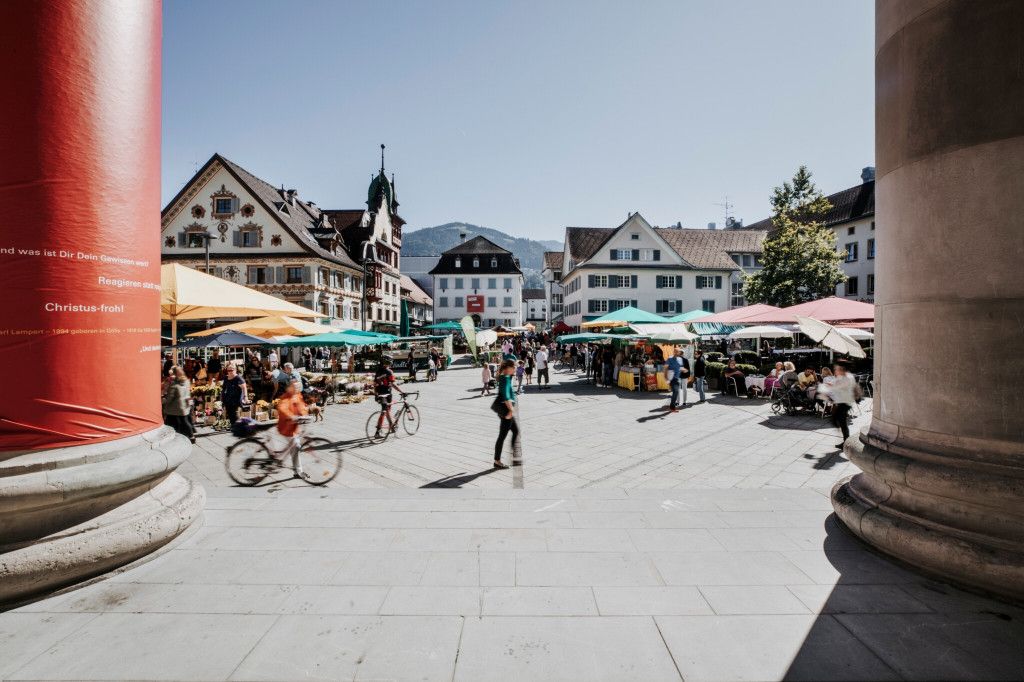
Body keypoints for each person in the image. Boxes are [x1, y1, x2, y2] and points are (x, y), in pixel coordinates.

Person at [275, 378, 309, 478]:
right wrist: (291, 416)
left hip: (293, 427)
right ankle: (298, 471)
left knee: (294, 449)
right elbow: (282, 408)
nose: (297, 388)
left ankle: (296, 472)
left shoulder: (297, 395)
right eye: (295, 386)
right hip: (286, 427)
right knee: (296, 446)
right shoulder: (285, 397)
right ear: (289, 387)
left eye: (298, 386)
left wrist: (305, 415)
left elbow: (301, 407)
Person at [492, 359, 520, 469]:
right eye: (514, 367)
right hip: (506, 411)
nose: (515, 369)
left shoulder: (507, 377)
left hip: (507, 410)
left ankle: (513, 458)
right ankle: (497, 461)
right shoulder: (504, 378)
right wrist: (511, 410)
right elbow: (506, 396)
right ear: (508, 368)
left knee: (515, 431)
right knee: (502, 437)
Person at [821, 362, 857, 442]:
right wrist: (830, 384)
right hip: (842, 402)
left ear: (842, 369)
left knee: (839, 421)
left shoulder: (847, 377)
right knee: (839, 421)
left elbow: (839, 387)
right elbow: (835, 384)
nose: (835, 370)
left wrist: (831, 386)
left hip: (845, 402)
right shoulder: (842, 377)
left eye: (836, 369)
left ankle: (846, 441)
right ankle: (845, 440)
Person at [373, 358, 408, 439]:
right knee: (384, 412)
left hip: (380, 395)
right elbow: (393, 384)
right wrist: (401, 391)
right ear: (389, 363)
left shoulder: (378, 371)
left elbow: (374, 384)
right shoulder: (389, 372)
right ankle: (377, 432)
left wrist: (375, 395)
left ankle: (391, 427)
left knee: (386, 411)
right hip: (387, 395)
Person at [162, 367, 195, 444]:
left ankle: (169, 437)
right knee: (185, 422)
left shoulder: (174, 383)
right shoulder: (186, 380)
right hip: (184, 406)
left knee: (169, 423)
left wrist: (164, 401)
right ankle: (191, 436)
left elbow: (170, 396)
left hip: (174, 408)